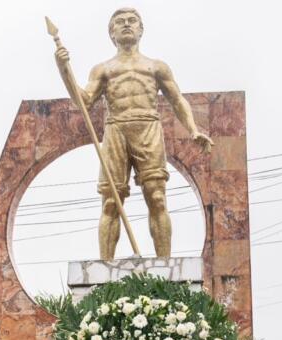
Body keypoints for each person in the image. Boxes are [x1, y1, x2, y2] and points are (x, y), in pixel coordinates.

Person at [54, 7, 213, 258]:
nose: (126, 24)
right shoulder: (103, 69)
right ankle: (104, 268)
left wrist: (193, 129)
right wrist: (64, 70)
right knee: (110, 202)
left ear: (140, 29)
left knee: (157, 198)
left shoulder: (156, 67)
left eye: (132, 21)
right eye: (119, 22)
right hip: (116, 128)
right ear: (112, 33)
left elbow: (177, 99)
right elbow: (84, 102)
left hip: (148, 127)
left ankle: (164, 267)